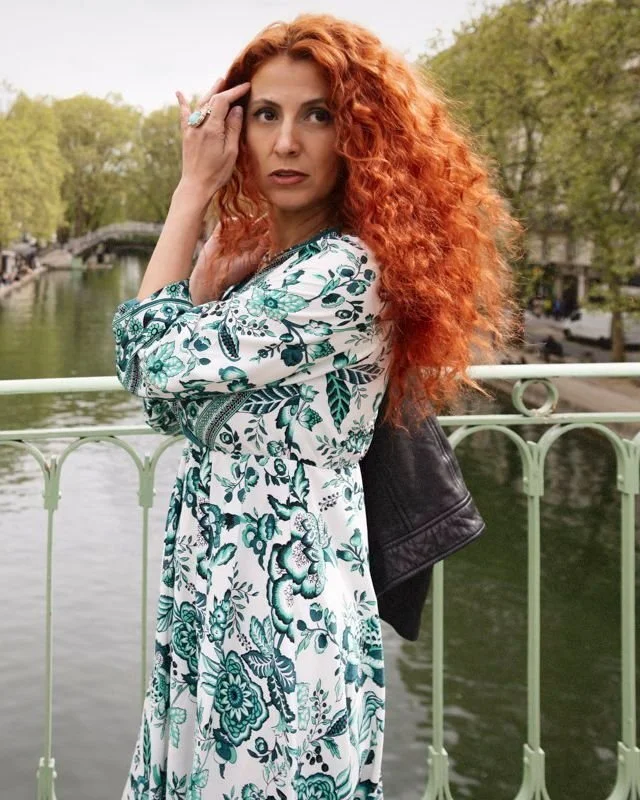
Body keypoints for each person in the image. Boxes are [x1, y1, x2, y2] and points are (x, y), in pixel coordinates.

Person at [112, 14, 517, 800]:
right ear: (238, 125)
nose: (287, 142)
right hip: (218, 609)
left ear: (359, 135)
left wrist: (191, 190)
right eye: (266, 114)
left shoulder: (339, 274)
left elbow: (147, 361)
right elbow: (176, 409)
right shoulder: (279, 270)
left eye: (317, 115)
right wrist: (203, 290)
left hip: (277, 618)